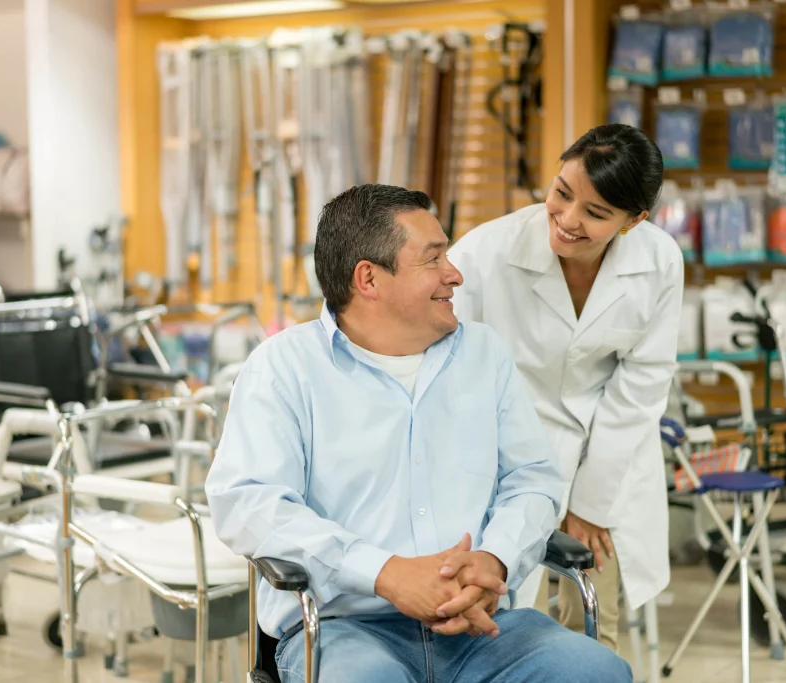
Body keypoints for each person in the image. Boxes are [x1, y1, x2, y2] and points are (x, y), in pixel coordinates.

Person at [205, 184, 632, 683]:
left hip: (483, 630)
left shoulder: (483, 355)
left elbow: (532, 478)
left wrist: (494, 560)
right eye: (433, 259)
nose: (455, 273)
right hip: (348, 631)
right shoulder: (284, 368)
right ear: (369, 278)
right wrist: (385, 573)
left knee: (596, 671)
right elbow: (248, 503)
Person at [448, 123, 683, 653]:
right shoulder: (485, 253)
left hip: (609, 453)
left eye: (596, 213)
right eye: (561, 193)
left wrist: (591, 502)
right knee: (500, 623)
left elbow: (643, 382)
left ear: (634, 221)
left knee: (594, 625)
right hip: (503, 456)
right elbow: (449, 370)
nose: (568, 220)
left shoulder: (659, 261)